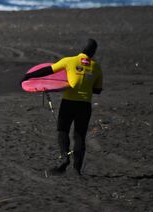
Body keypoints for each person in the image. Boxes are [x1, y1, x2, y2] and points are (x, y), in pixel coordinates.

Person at [23, 39, 103, 176]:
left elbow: (48, 70)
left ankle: (65, 158)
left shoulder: (69, 61)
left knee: (62, 130)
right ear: (93, 52)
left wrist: (29, 76)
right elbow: (98, 90)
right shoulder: (96, 67)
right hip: (84, 105)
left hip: (69, 103)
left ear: (82, 49)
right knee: (79, 136)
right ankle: (77, 170)